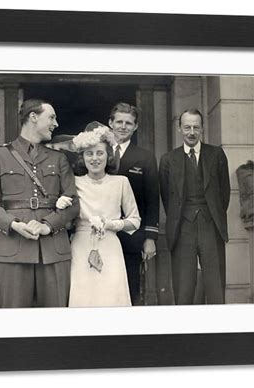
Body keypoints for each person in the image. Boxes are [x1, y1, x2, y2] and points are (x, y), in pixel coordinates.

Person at [0, 99, 79, 308]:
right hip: (12, 247)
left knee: (57, 316)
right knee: (14, 319)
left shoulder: (58, 158)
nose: (56, 123)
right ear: (33, 117)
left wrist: (47, 225)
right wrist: (13, 224)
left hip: (53, 249)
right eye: (51, 117)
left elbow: (73, 203)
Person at [57, 123, 141, 307]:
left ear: (108, 156)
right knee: (83, 298)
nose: (94, 158)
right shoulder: (74, 182)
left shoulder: (121, 182)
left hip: (110, 246)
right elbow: (67, 222)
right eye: (89, 153)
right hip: (81, 246)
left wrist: (110, 224)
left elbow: (135, 221)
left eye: (99, 153)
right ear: (82, 157)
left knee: (110, 298)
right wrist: (60, 206)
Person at [159, 108, 230, 304]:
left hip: (211, 225)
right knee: (184, 289)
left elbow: (224, 194)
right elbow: (167, 198)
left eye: (196, 127)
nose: (191, 132)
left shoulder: (216, 155)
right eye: (187, 127)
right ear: (180, 128)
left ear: (202, 129)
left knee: (215, 288)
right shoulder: (168, 160)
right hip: (182, 228)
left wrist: (211, 215)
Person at [107, 103, 159, 304]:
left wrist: (150, 237)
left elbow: (152, 199)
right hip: (102, 234)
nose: (123, 126)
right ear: (110, 123)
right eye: (119, 121)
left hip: (132, 236)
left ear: (135, 127)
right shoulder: (98, 153)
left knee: (130, 289)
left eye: (128, 123)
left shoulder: (145, 157)